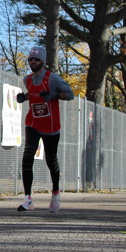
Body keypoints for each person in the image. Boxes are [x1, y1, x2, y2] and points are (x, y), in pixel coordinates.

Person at [16, 46, 75, 213]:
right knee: (28, 156)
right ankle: (28, 199)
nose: (33, 62)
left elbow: (70, 94)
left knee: (51, 160)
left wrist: (54, 95)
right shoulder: (27, 79)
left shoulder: (52, 78)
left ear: (42, 61)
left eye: (36, 59)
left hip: (51, 126)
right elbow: (32, 94)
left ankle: (55, 192)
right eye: (31, 59)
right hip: (33, 123)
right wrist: (23, 97)